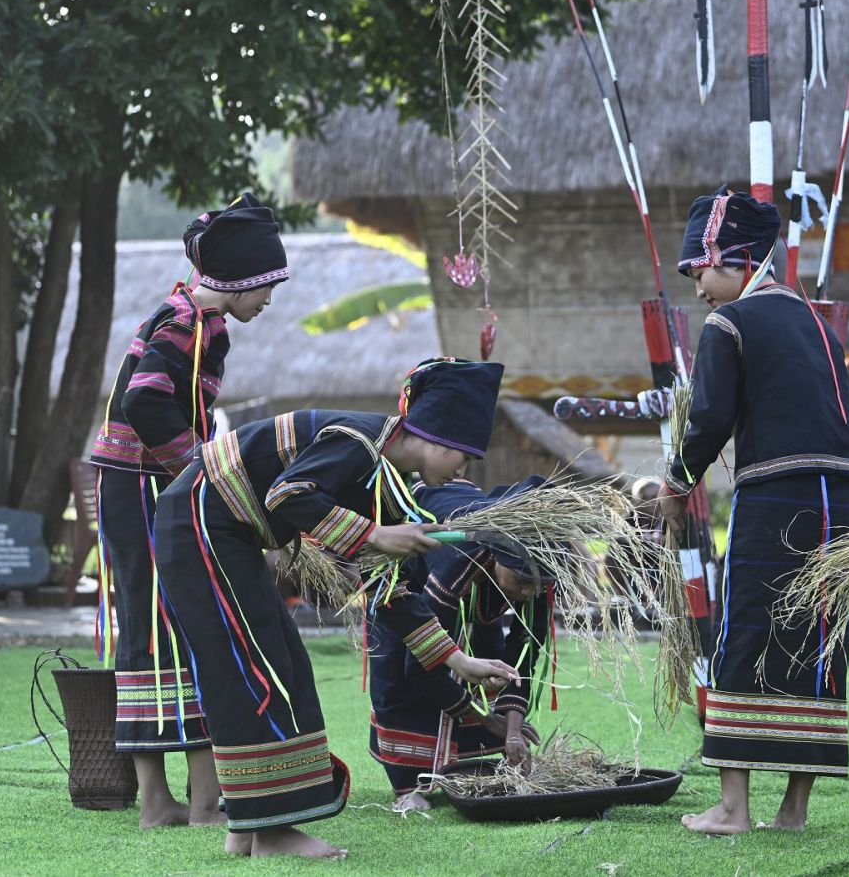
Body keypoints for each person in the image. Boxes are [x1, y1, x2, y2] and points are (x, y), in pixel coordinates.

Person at [152, 359, 520, 859]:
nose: (464, 470)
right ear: (435, 438)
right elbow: (287, 495)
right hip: (200, 523)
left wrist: (460, 662)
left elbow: (385, 589)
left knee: (279, 667)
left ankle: (249, 825)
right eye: (464, 456)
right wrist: (375, 534)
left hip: (220, 530)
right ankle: (272, 833)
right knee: (259, 673)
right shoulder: (361, 440)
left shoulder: (386, 485)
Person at [662, 185, 849, 836]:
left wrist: (675, 481)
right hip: (842, 501)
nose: (698, 291)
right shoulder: (817, 323)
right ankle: (793, 809)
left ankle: (733, 806)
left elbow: (709, 420)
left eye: (700, 272)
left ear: (736, 258)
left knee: (747, 631)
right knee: (816, 637)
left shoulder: (730, 323)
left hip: (777, 496)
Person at [87, 192, 286, 828]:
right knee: (185, 623)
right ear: (238, 279)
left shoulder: (196, 320)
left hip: (139, 485)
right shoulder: (185, 322)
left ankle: (175, 801)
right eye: (267, 288)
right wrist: (201, 471)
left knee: (163, 628)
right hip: (143, 489)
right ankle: (185, 804)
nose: (268, 302)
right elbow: (146, 403)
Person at [368, 476, 552, 813]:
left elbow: (524, 652)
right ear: (497, 559)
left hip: (479, 589)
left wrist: (510, 730)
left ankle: (465, 767)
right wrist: (487, 720)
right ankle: (406, 786)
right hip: (406, 587)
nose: (528, 594)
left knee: (491, 661)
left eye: (536, 588)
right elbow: (421, 666)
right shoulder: (457, 560)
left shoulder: (538, 575)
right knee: (403, 672)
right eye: (522, 583)